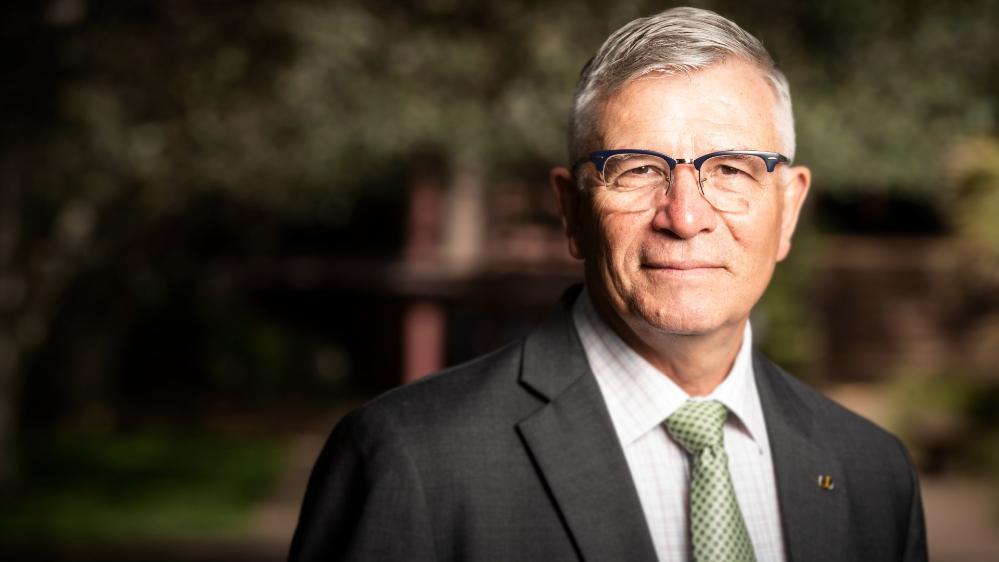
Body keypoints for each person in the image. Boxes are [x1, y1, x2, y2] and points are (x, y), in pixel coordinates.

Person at [289, 7, 927, 562]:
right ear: (571, 212)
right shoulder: (412, 459)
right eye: (638, 169)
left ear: (788, 209)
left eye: (732, 170)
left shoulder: (873, 473)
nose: (684, 216)